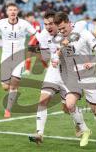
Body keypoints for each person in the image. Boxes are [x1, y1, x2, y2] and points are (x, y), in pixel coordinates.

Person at [28, 10, 89, 144]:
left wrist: (67, 41)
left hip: (69, 72)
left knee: (67, 107)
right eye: (45, 24)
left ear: (57, 23)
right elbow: (45, 56)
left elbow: (83, 23)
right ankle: (39, 133)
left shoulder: (66, 30)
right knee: (43, 100)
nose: (48, 27)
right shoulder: (43, 35)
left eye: (51, 24)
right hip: (54, 71)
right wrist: (52, 57)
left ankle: (79, 124)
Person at [53, 12, 96, 147]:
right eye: (59, 29)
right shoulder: (60, 38)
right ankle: (85, 130)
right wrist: (55, 59)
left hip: (88, 75)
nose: (61, 31)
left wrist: (93, 63)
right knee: (69, 104)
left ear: (68, 22)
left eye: (63, 28)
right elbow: (58, 54)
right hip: (71, 77)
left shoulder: (84, 34)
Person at [22, 12, 48, 76]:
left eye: (27, 18)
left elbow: (37, 33)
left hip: (36, 43)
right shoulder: (32, 24)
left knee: (40, 58)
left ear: (31, 17)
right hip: (33, 43)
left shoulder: (36, 23)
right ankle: (27, 70)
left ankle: (47, 68)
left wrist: (31, 41)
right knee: (29, 56)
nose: (27, 20)